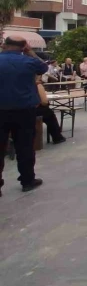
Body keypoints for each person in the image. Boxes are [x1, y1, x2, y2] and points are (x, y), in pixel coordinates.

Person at [0, 36, 46, 195]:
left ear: (4, 45)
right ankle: (27, 180)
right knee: (25, 146)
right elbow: (43, 67)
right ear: (24, 47)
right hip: (24, 111)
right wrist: (30, 52)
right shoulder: (29, 62)